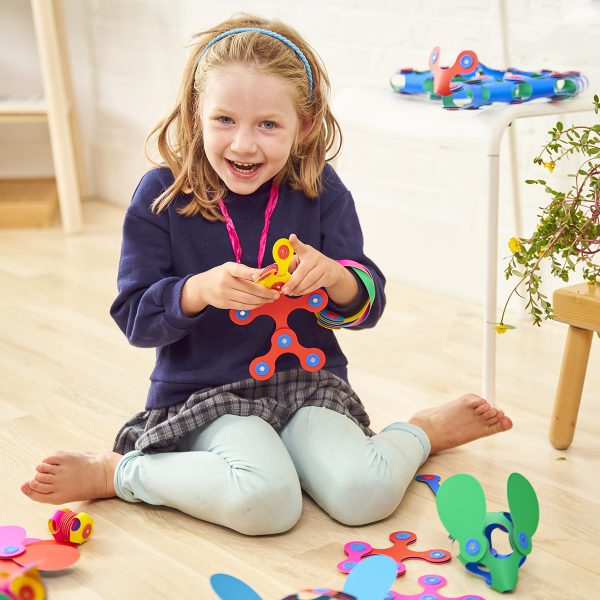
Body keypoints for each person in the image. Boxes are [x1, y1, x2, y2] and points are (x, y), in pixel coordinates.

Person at [21, 14, 512, 535]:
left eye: (268, 125)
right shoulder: (162, 197)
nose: (244, 145)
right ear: (196, 113)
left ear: (305, 122)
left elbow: (368, 301)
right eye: (225, 120)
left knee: (363, 493)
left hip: (306, 383)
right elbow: (135, 320)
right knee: (268, 502)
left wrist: (333, 277)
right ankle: (118, 471)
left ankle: (422, 431)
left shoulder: (322, 191)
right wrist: (198, 291)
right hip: (206, 396)